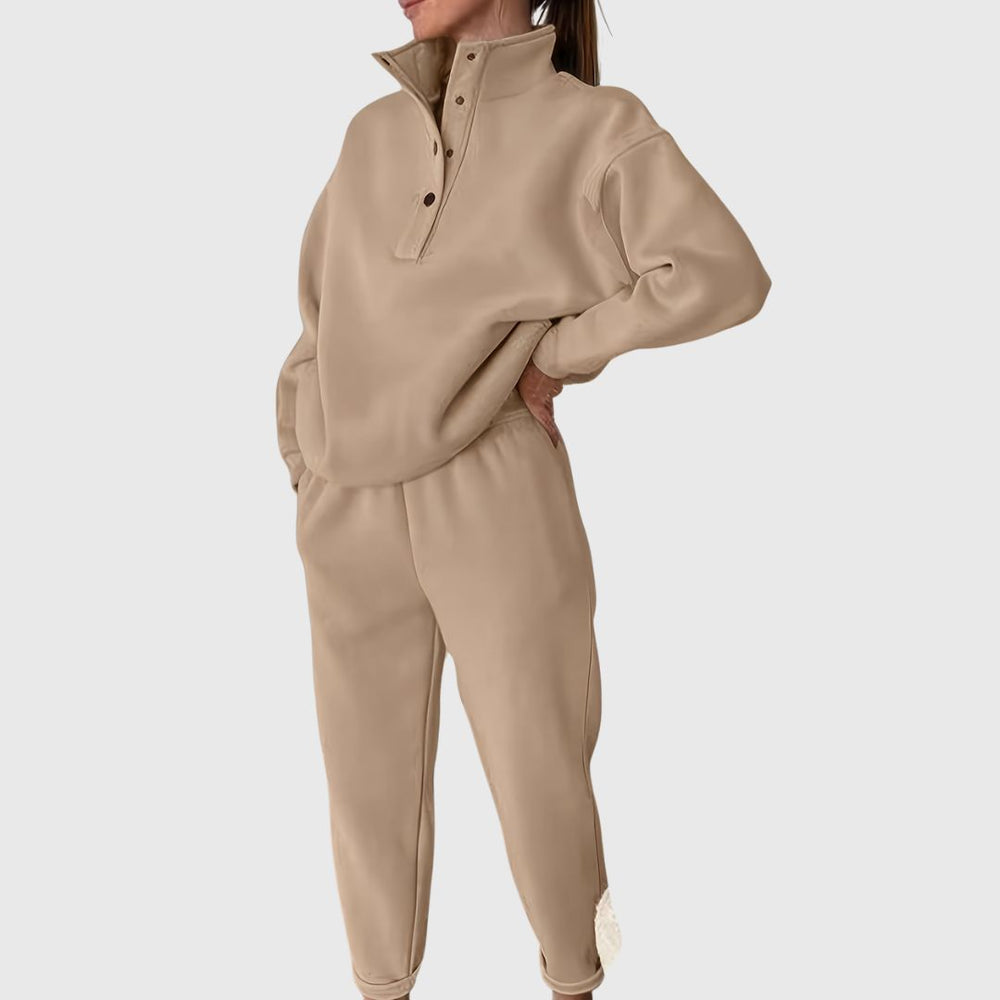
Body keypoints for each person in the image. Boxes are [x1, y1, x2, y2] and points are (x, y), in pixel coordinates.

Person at [275, 1, 770, 997]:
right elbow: (320, 314)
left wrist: (558, 354)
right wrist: (301, 444)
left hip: (493, 488)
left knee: (536, 764)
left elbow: (719, 273)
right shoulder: (371, 134)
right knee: (364, 787)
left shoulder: (592, 126)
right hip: (347, 498)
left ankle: (577, 978)